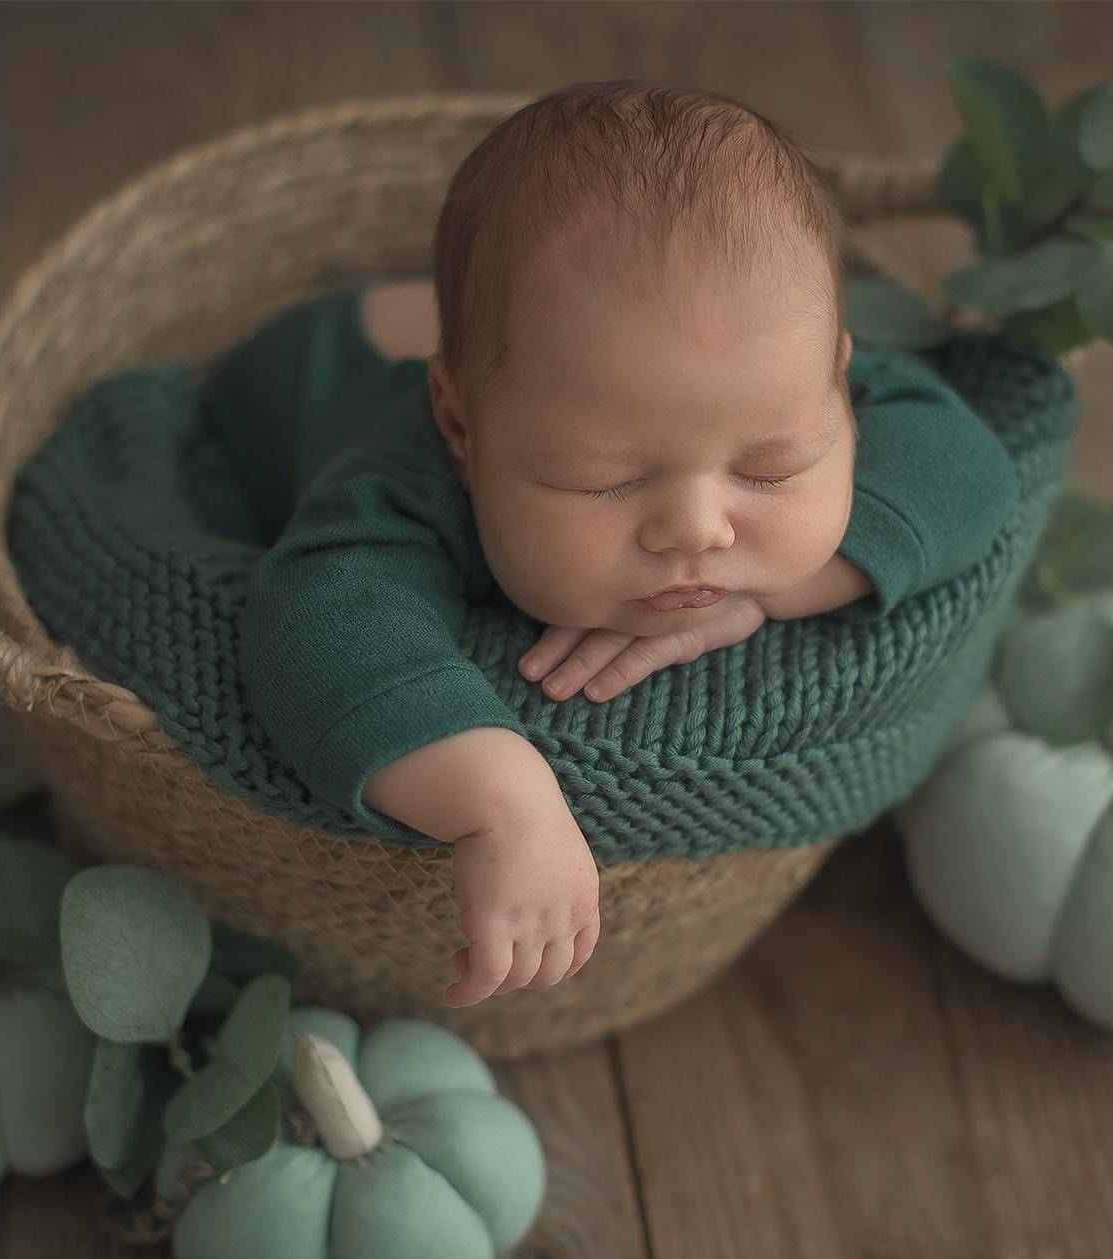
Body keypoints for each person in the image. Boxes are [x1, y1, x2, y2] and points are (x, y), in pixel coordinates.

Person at [207, 79, 1017, 1011]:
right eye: (605, 480)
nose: (697, 530)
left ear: (840, 375)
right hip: (294, 384)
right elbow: (314, 617)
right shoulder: (406, 478)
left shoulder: (759, 366)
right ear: (462, 428)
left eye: (771, 466)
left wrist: (776, 591)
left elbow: (967, 464)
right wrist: (499, 795)